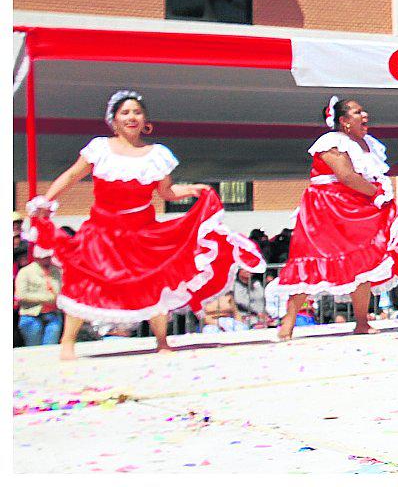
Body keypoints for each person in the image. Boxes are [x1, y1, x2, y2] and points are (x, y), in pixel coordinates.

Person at [24, 90, 265, 360]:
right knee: (84, 280)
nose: (131, 117)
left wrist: (193, 190)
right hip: (101, 230)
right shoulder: (99, 148)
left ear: (145, 119)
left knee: (154, 282)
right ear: (113, 119)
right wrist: (46, 200)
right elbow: (70, 176)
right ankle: (68, 342)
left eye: (136, 112)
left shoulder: (157, 155)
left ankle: (162, 341)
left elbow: (167, 192)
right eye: (125, 112)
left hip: (142, 231)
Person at [275, 97, 398, 340]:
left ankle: (362, 321)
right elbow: (346, 176)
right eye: (357, 112)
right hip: (328, 208)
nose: (365, 115)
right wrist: (377, 193)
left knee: (364, 262)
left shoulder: (367, 143)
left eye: (363, 111)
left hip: (358, 206)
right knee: (312, 261)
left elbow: (364, 177)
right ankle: (287, 323)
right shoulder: (331, 142)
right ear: (343, 121)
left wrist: (379, 194)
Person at [15, 246, 63, 346]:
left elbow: (61, 289)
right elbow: (20, 295)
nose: (47, 259)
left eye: (48, 256)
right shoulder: (25, 272)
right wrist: (47, 298)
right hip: (31, 315)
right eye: (44, 257)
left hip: (53, 315)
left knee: (50, 349)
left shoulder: (57, 271)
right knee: (34, 350)